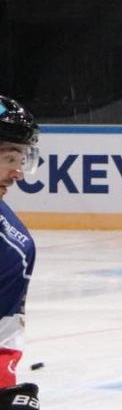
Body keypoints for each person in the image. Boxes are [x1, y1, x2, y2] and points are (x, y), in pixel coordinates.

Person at [0, 97, 42, 409]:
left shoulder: (14, 247)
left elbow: (3, 338)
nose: (18, 172)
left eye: (22, 158)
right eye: (10, 157)